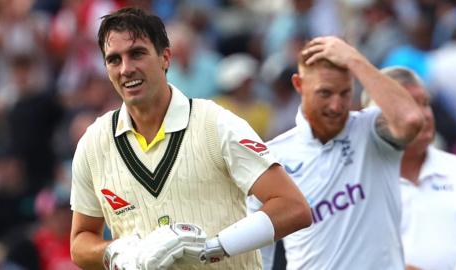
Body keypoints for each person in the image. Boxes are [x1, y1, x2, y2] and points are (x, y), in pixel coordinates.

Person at [69, 7, 311, 270]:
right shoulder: (93, 144)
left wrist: (212, 248)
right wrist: (117, 252)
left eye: (137, 53)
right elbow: (80, 241)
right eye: (114, 60)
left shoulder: (216, 124)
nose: (126, 68)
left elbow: (293, 207)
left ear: (165, 57)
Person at [249, 36, 424, 270]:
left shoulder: (372, 130)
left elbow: (410, 119)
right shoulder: (273, 156)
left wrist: (354, 59)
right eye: (325, 93)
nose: (336, 105)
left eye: (345, 93)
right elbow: (256, 253)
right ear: (299, 84)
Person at [378, 67, 456, 270]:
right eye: (411, 105)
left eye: (425, 103)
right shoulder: (364, 179)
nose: (424, 115)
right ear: (379, 115)